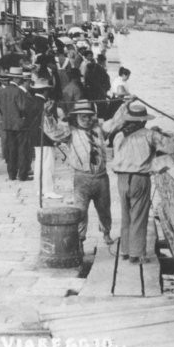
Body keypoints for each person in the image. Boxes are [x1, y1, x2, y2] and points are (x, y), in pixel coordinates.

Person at [102, 100, 174, 263]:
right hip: (140, 179)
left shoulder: (119, 135)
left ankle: (125, 250)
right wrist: (169, 136)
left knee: (126, 215)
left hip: (121, 179)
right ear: (144, 120)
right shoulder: (149, 134)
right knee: (139, 216)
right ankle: (136, 254)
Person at [43, 100, 114, 246]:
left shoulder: (100, 129)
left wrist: (127, 106)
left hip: (101, 177)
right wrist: (49, 115)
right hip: (82, 178)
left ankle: (106, 232)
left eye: (89, 116)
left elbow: (116, 122)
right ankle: (80, 238)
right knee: (81, 211)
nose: (87, 120)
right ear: (76, 117)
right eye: (83, 117)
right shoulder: (70, 132)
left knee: (104, 208)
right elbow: (53, 132)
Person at [0, 66, 29, 181]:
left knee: (11, 150)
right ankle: (22, 175)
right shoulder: (18, 91)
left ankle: (11, 174)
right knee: (22, 149)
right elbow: (23, 107)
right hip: (19, 124)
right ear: (17, 79)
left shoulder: (1, 91)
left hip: (7, 124)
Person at [27, 76, 61, 198]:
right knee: (48, 164)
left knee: (39, 164)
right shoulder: (44, 104)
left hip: (35, 136)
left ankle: (39, 188)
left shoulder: (31, 101)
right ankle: (48, 190)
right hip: (45, 136)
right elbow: (49, 123)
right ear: (45, 90)